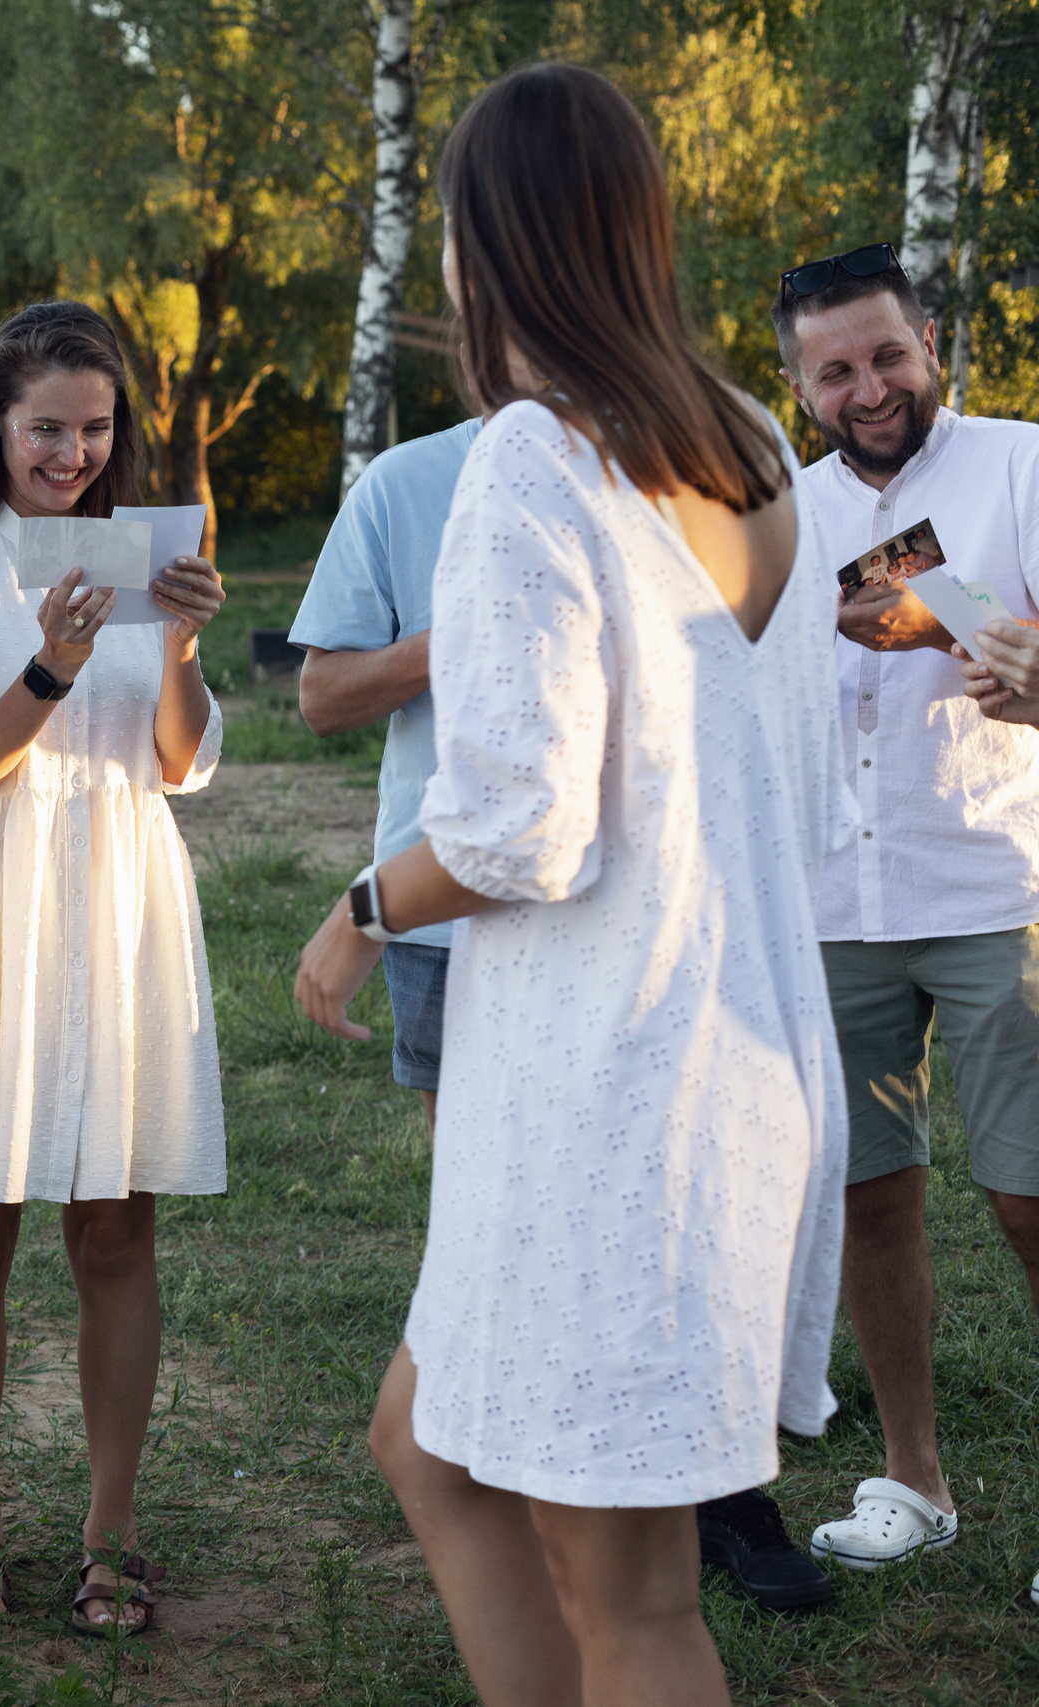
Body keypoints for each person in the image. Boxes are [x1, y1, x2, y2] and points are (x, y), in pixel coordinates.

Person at [294, 64, 847, 1702]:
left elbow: (519, 831)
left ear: (484, 243)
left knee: (639, 1598)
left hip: (622, 1087)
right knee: (431, 1444)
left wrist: (354, 911)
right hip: (718, 1052)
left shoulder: (533, 458)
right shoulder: (747, 439)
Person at [0, 300, 225, 1633]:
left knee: (117, 1227)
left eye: (94, 427)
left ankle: (111, 1524)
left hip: (118, 906)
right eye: (46, 428)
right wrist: (56, 661)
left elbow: (182, 760)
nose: (72, 451)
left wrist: (178, 648)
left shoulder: (143, 554)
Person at [770, 243, 1039, 1598]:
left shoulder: (1024, 466)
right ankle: (915, 1480)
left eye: (888, 354)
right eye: (837, 368)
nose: (869, 386)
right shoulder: (779, 510)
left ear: (932, 341)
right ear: (798, 381)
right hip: (832, 897)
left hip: (1001, 884)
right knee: (873, 1194)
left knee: (1030, 1191)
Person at [291, 418, 478, 1126]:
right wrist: (455, 637)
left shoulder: (665, 481)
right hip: (436, 919)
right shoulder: (404, 482)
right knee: (467, 1201)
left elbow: (534, 810)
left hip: (614, 924)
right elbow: (322, 699)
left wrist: (362, 912)